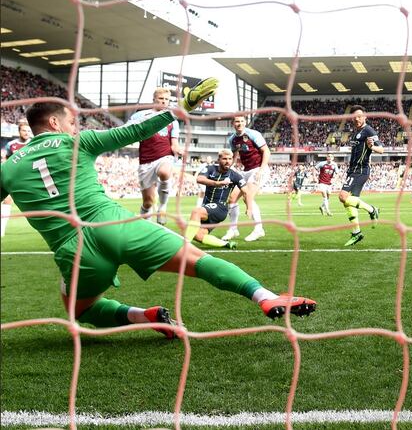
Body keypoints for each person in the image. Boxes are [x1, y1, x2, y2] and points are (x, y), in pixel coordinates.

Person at [0, 80, 315, 341]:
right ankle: (264, 296)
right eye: (71, 122)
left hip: (74, 250)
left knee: (79, 312)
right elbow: (134, 132)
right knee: (199, 261)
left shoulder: (7, 168)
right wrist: (179, 109)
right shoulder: (78, 142)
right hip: (117, 224)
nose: (74, 127)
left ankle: (143, 316)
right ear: (55, 123)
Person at [128, 88, 183, 226]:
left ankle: (162, 208)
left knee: (165, 172)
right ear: (154, 99)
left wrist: (179, 151)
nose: (164, 101)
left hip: (165, 157)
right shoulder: (140, 115)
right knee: (148, 202)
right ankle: (145, 226)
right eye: (161, 99)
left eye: (166, 99)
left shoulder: (172, 119)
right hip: (146, 162)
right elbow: (126, 131)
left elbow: (174, 145)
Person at [186, 149, 252, 249]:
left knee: (196, 212)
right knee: (198, 235)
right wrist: (217, 183)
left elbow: (246, 191)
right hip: (207, 207)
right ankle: (226, 244)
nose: (228, 161)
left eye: (230, 159)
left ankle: (184, 245)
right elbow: (199, 179)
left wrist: (249, 208)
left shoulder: (235, 175)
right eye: (224, 158)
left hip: (220, 208)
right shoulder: (210, 168)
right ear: (219, 160)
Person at [338, 105, 382, 246]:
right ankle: (356, 233)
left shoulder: (368, 130)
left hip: (360, 170)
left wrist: (372, 147)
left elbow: (381, 149)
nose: (356, 118)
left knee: (343, 197)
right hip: (353, 170)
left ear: (365, 117)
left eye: (359, 116)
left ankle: (372, 209)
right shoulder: (355, 132)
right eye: (354, 117)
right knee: (348, 202)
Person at [223, 115, 269, 242]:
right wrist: (226, 168)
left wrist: (261, 170)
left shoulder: (253, 134)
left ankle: (259, 229)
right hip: (246, 171)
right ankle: (233, 230)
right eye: (237, 121)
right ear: (233, 123)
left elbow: (266, 151)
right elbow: (235, 155)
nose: (240, 123)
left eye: (242, 121)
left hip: (259, 169)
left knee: (247, 196)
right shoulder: (232, 139)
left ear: (245, 122)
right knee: (231, 198)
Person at [1, 119, 32, 236]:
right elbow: (6, 161)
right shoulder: (11, 145)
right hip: (14, 178)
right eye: (24, 130)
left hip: (31, 178)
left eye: (28, 130)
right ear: (19, 131)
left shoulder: (34, 143)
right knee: (7, 200)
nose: (26, 133)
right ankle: (2, 231)